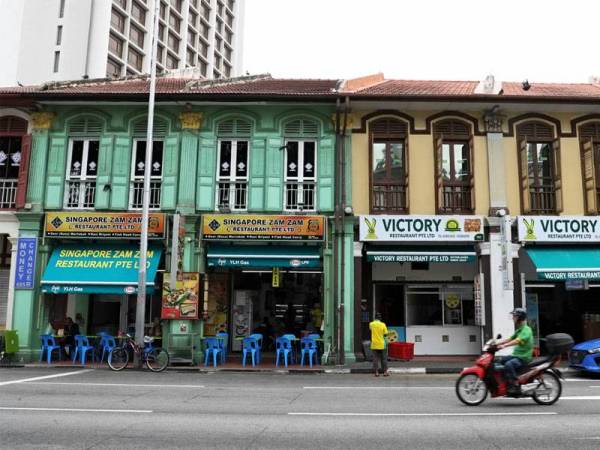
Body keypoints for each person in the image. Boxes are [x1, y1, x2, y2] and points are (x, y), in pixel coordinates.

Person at [496, 308, 533, 396]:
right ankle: (506, 382)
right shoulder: (520, 329)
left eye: (515, 317)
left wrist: (504, 346)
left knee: (509, 364)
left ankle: (515, 385)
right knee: (500, 360)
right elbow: (510, 338)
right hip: (517, 355)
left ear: (520, 318)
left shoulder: (526, 330)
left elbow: (517, 341)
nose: (513, 318)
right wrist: (496, 344)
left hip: (523, 357)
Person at [369, 313, 389, 377]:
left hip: (374, 344)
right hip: (382, 344)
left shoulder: (371, 324)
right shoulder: (383, 324)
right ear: (380, 318)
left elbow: (371, 329)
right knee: (384, 358)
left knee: (375, 359)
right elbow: (385, 334)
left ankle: (376, 372)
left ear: (375, 318)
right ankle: (385, 372)